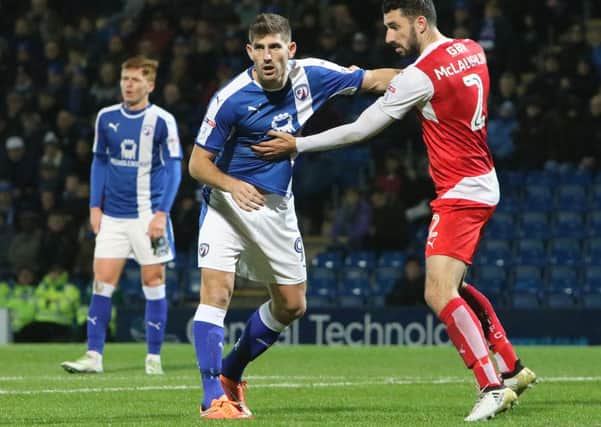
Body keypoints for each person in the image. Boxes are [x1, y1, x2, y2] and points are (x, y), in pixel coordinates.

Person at [253, 1, 536, 422]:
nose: (388, 38)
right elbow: (440, 89)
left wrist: (298, 144)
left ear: (420, 22)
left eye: (394, 27)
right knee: (455, 284)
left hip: (461, 189)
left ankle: (490, 386)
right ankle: (512, 367)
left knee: (438, 292)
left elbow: (360, 129)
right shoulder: (472, 49)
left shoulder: (420, 76)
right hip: (483, 178)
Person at [188, 13, 398, 420]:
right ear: (249, 51)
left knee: (292, 305)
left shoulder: (315, 75)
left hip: (276, 208)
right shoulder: (230, 99)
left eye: (275, 47)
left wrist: (425, 78)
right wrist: (231, 184)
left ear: (291, 49)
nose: (268, 56)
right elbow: (198, 164)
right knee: (216, 293)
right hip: (227, 204)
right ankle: (212, 397)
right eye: (260, 48)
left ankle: (231, 373)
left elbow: (373, 79)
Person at [61, 55, 182, 375]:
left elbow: (174, 168)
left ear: (150, 85)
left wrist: (161, 214)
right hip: (113, 216)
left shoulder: (162, 121)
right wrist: (94, 206)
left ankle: (153, 358)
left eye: (135, 80)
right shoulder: (105, 117)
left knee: (153, 281)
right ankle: (93, 357)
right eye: (124, 78)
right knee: (102, 282)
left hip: (148, 216)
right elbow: (99, 162)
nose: (128, 85)